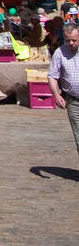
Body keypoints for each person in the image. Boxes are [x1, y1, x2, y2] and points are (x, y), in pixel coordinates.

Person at [47, 21, 79, 158]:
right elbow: (52, 76)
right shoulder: (60, 53)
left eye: (74, 40)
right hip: (73, 101)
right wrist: (56, 94)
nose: (71, 43)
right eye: (68, 40)